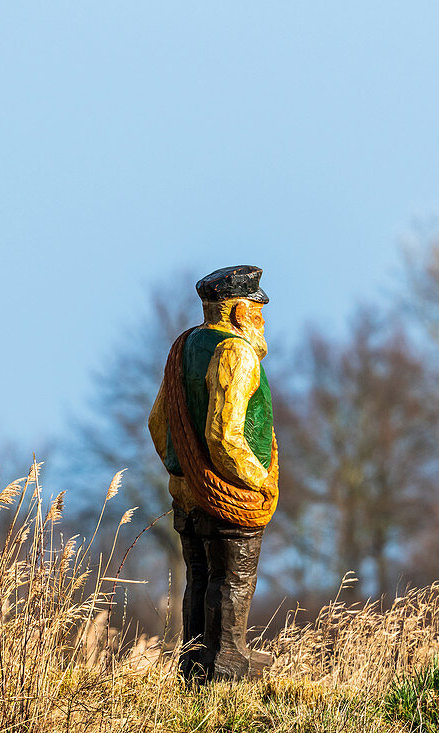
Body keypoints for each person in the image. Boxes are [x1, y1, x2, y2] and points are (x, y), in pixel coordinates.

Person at [147, 265, 279, 683]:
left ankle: (195, 660)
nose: (261, 322)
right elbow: (223, 435)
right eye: (257, 313)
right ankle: (228, 661)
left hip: (186, 492)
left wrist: (180, 468)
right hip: (229, 495)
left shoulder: (183, 346)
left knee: (199, 576)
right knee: (233, 577)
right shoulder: (236, 352)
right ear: (240, 313)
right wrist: (255, 479)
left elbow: (157, 420)